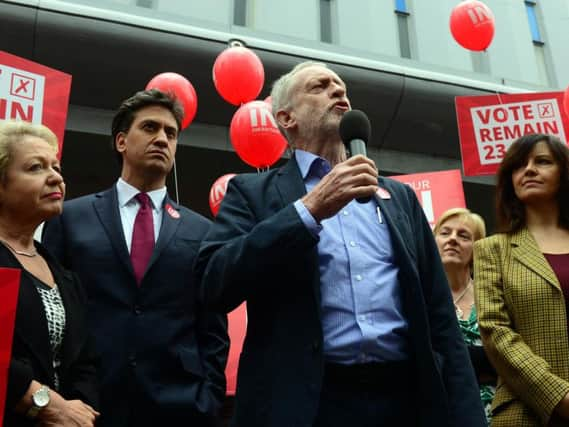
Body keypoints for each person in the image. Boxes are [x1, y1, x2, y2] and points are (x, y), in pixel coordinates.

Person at [196, 61, 486, 427]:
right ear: (287, 118)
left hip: (404, 401)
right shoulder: (252, 193)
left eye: (341, 86)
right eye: (320, 86)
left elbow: (440, 319)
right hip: (308, 404)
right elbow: (214, 282)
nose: (339, 91)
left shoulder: (399, 198)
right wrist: (309, 210)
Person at [42, 89, 229, 426]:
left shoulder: (202, 231)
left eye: (170, 133)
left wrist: (208, 397)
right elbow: (51, 311)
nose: (162, 139)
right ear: (121, 142)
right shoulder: (69, 218)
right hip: (88, 404)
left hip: (180, 407)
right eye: (150, 128)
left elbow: (212, 324)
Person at [0, 120, 99, 426]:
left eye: (56, 167)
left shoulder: (64, 275)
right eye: (36, 167)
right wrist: (43, 404)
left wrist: (77, 411)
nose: (56, 177)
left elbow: (85, 363)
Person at [474, 133, 569, 427]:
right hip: (526, 413)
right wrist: (560, 397)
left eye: (542, 162)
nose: (528, 170)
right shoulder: (491, 250)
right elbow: (495, 333)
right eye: (519, 165)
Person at [434, 208, 496, 422]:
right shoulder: (421, 298)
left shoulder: (494, 295)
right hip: (443, 410)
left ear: (477, 248)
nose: (452, 240)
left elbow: (505, 357)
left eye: (463, 235)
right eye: (445, 233)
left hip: (496, 411)